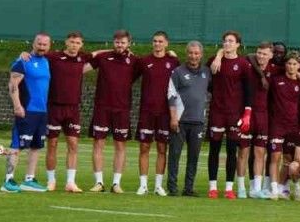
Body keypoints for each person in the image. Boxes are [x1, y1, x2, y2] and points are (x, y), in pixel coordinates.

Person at [42, 30, 91, 193]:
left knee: (73, 144)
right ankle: (51, 180)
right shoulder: (53, 57)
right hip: (54, 107)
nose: (74, 45)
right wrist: (25, 54)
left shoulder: (82, 58)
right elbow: (37, 55)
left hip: (73, 108)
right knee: (52, 144)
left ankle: (70, 182)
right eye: (72, 42)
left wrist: (122, 50)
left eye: (77, 43)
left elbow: (99, 54)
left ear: (81, 45)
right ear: (66, 42)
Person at [89, 29, 138, 193]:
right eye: (117, 42)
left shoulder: (135, 61)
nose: (120, 45)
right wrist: (100, 51)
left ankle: (116, 183)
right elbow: (82, 64)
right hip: (102, 108)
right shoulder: (103, 57)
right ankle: (99, 182)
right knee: (98, 144)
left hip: (122, 109)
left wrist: (171, 54)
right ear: (113, 42)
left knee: (120, 145)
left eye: (123, 42)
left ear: (129, 44)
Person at [206, 30, 253, 199]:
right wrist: (218, 56)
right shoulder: (213, 60)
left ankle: (228, 188)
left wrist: (247, 112)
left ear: (238, 44)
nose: (227, 43)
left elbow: (248, 90)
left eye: (231, 41)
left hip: (234, 114)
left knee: (232, 150)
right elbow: (208, 84)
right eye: (225, 41)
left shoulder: (243, 64)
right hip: (217, 112)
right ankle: (212, 187)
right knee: (214, 149)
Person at [3, 32, 51, 193]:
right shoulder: (23, 61)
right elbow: (13, 84)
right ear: (33, 44)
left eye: (45, 44)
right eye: (39, 43)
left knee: (36, 146)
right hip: (26, 110)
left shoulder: (46, 62)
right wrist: (17, 106)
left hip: (42, 112)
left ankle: (29, 180)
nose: (42, 47)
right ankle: (8, 181)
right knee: (17, 145)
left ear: (49, 46)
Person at [135, 31, 177, 197]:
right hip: (146, 112)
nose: (157, 44)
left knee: (162, 148)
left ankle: (158, 186)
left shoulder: (173, 62)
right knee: (144, 147)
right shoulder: (144, 61)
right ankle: (143, 185)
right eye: (155, 41)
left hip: (165, 113)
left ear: (166, 43)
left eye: (160, 41)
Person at [167, 41, 211, 197]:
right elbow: (171, 96)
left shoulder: (207, 72)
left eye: (196, 53)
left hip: (198, 121)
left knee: (193, 157)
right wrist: (173, 118)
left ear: (201, 55)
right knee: (175, 155)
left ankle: (188, 188)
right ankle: (172, 187)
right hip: (180, 121)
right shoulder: (177, 72)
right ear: (187, 54)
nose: (193, 56)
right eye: (191, 53)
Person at [266, 54, 300, 200]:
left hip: (292, 127)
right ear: (285, 65)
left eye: (294, 64)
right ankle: (273, 189)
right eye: (289, 63)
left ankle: (281, 187)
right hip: (276, 125)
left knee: (288, 159)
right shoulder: (276, 80)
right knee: (275, 156)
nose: (291, 66)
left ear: (299, 66)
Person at [240, 41, 274, 199]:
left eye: (265, 54)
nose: (261, 56)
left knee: (260, 152)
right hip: (246, 113)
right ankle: (241, 188)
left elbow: (294, 68)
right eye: (259, 52)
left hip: (263, 115)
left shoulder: (274, 69)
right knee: (243, 152)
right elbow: (248, 55)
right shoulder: (248, 64)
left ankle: (256, 189)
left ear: (271, 55)